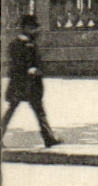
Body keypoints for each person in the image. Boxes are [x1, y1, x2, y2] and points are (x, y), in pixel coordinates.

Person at [2, 15, 60, 148]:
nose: (35, 30)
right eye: (32, 28)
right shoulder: (22, 44)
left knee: (23, 110)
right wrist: (30, 69)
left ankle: (49, 138)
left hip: (23, 84)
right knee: (32, 111)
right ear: (25, 28)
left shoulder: (23, 43)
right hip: (25, 83)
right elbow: (18, 64)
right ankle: (49, 138)